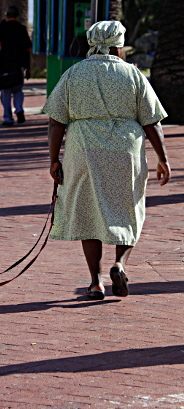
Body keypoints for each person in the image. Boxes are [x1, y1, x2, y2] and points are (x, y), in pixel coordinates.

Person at [43, 20, 171, 300]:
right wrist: (162, 157)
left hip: (83, 150)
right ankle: (120, 264)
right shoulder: (132, 75)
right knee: (128, 208)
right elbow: (152, 122)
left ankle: (95, 282)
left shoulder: (73, 74)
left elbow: (55, 121)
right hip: (125, 152)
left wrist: (54, 159)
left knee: (89, 213)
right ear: (118, 46)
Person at [0, 5, 32, 126]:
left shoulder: (2, 27)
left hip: (5, 65)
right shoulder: (21, 28)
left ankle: (8, 118)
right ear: (17, 15)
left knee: (5, 92)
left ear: (7, 15)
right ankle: (19, 109)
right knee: (18, 89)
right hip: (18, 65)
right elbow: (28, 49)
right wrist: (28, 67)